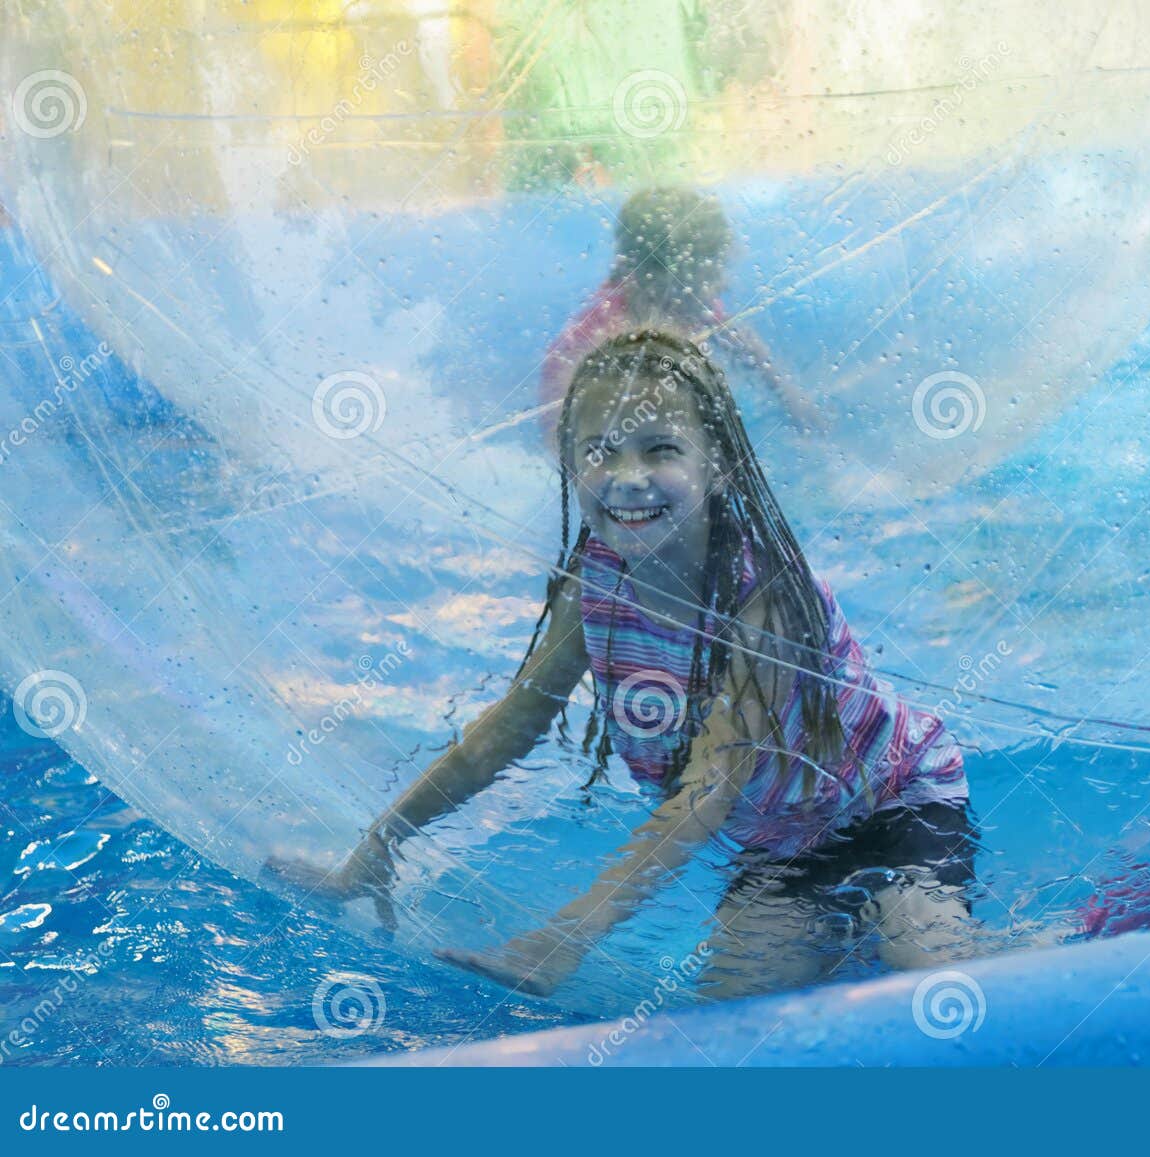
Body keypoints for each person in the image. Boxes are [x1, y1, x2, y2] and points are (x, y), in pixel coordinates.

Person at [275, 329, 975, 1000]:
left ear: (718, 465)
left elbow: (711, 789)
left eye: (660, 449)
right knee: (735, 1010)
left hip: (894, 804)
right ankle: (845, 924)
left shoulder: (764, 597)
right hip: (783, 844)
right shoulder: (595, 583)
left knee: (925, 968)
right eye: (599, 452)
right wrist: (379, 844)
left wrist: (564, 936)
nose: (627, 478)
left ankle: (1014, 939)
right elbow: (507, 730)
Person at [530, 187, 825, 447]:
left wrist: (791, 398)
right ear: (658, 280)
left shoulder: (685, 301)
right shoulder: (610, 335)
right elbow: (564, 428)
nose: (723, 284)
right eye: (711, 274)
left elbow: (744, 345)